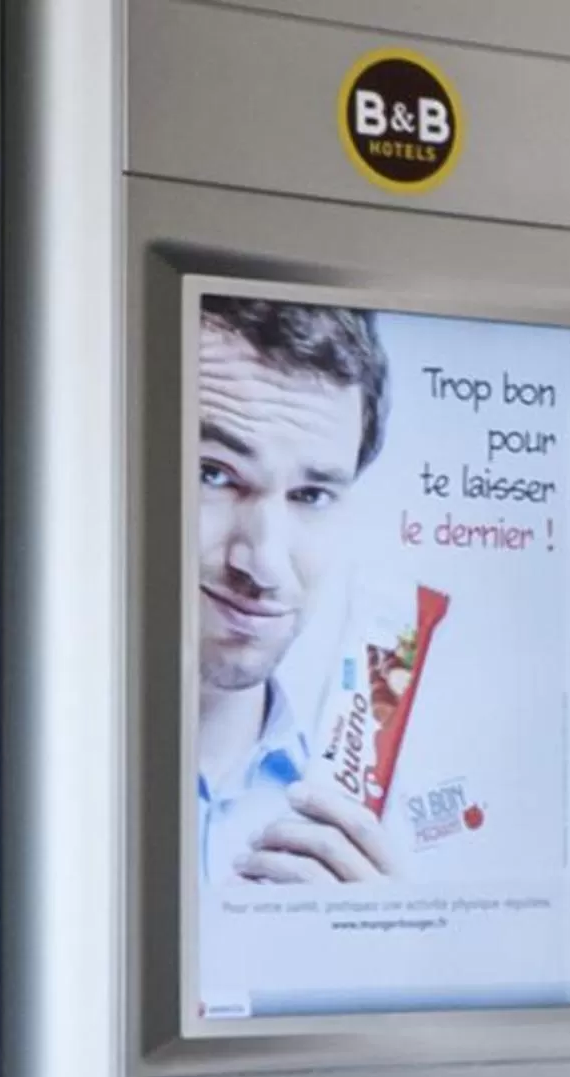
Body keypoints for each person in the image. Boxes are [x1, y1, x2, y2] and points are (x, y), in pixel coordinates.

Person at [192, 295, 405, 885]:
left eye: (310, 496)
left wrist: (380, 959)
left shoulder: (369, 837)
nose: (263, 563)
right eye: (213, 473)